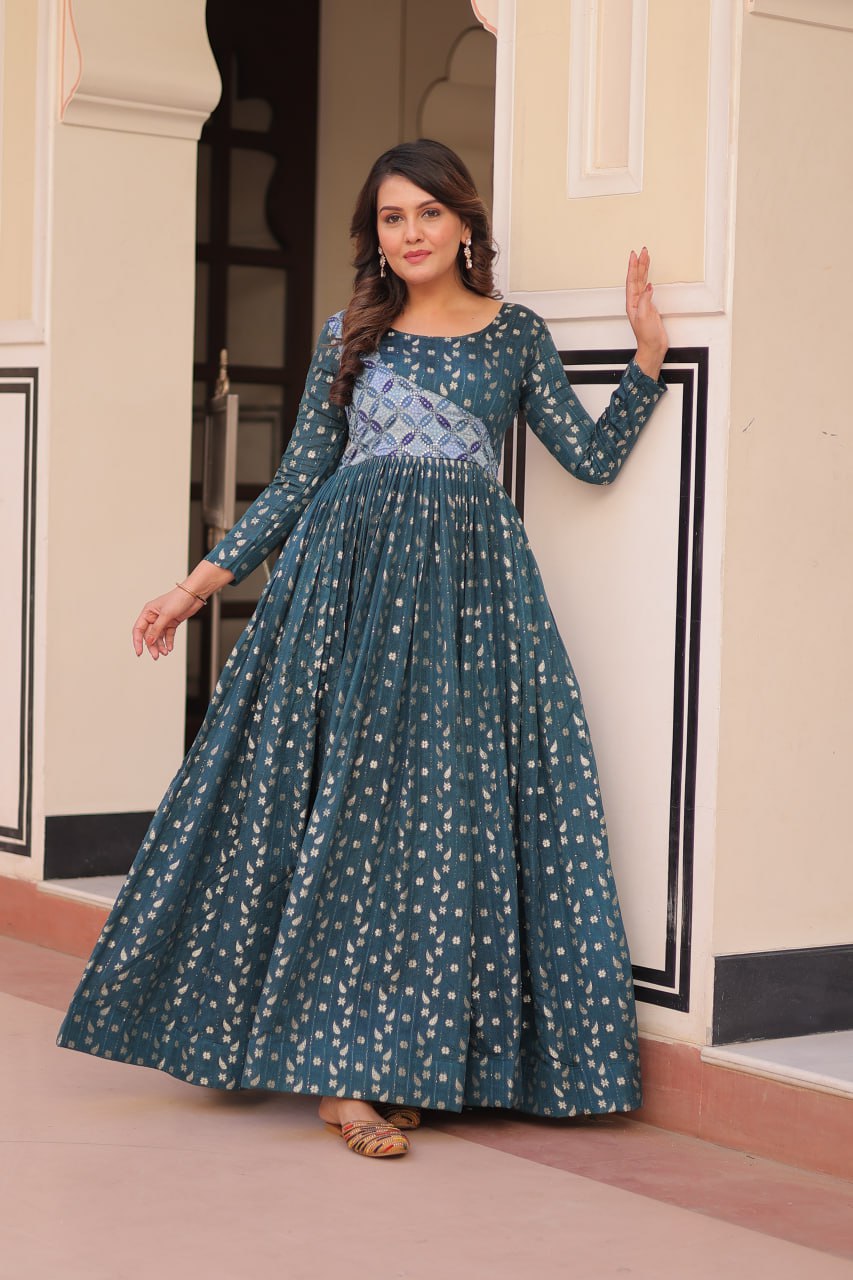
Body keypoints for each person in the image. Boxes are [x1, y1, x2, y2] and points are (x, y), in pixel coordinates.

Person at [57, 138, 668, 1160]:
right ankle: (342, 1078)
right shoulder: (350, 335)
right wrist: (194, 586)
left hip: (469, 608)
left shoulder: (513, 335)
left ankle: (411, 1059)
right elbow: (298, 480)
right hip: (342, 599)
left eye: (428, 212)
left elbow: (591, 458)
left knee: (442, 827)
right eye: (392, 217)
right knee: (343, 817)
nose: (411, 232)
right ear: (374, 235)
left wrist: (646, 360)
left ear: (464, 225)